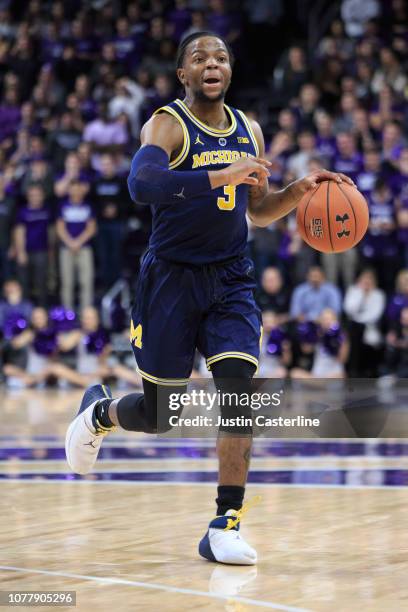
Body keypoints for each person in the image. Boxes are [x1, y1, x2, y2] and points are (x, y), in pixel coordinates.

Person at [65, 31, 353, 565]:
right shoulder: (168, 123)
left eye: (220, 57)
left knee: (238, 396)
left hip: (231, 279)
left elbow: (257, 210)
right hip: (170, 281)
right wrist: (219, 173)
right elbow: (142, 183)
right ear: (184, 74)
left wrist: (299, 193)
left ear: (230, 69)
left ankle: (225, 523)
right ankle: (99, 413)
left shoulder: (250, 130)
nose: (211, 64)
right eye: (199, 58)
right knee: (161, 413)